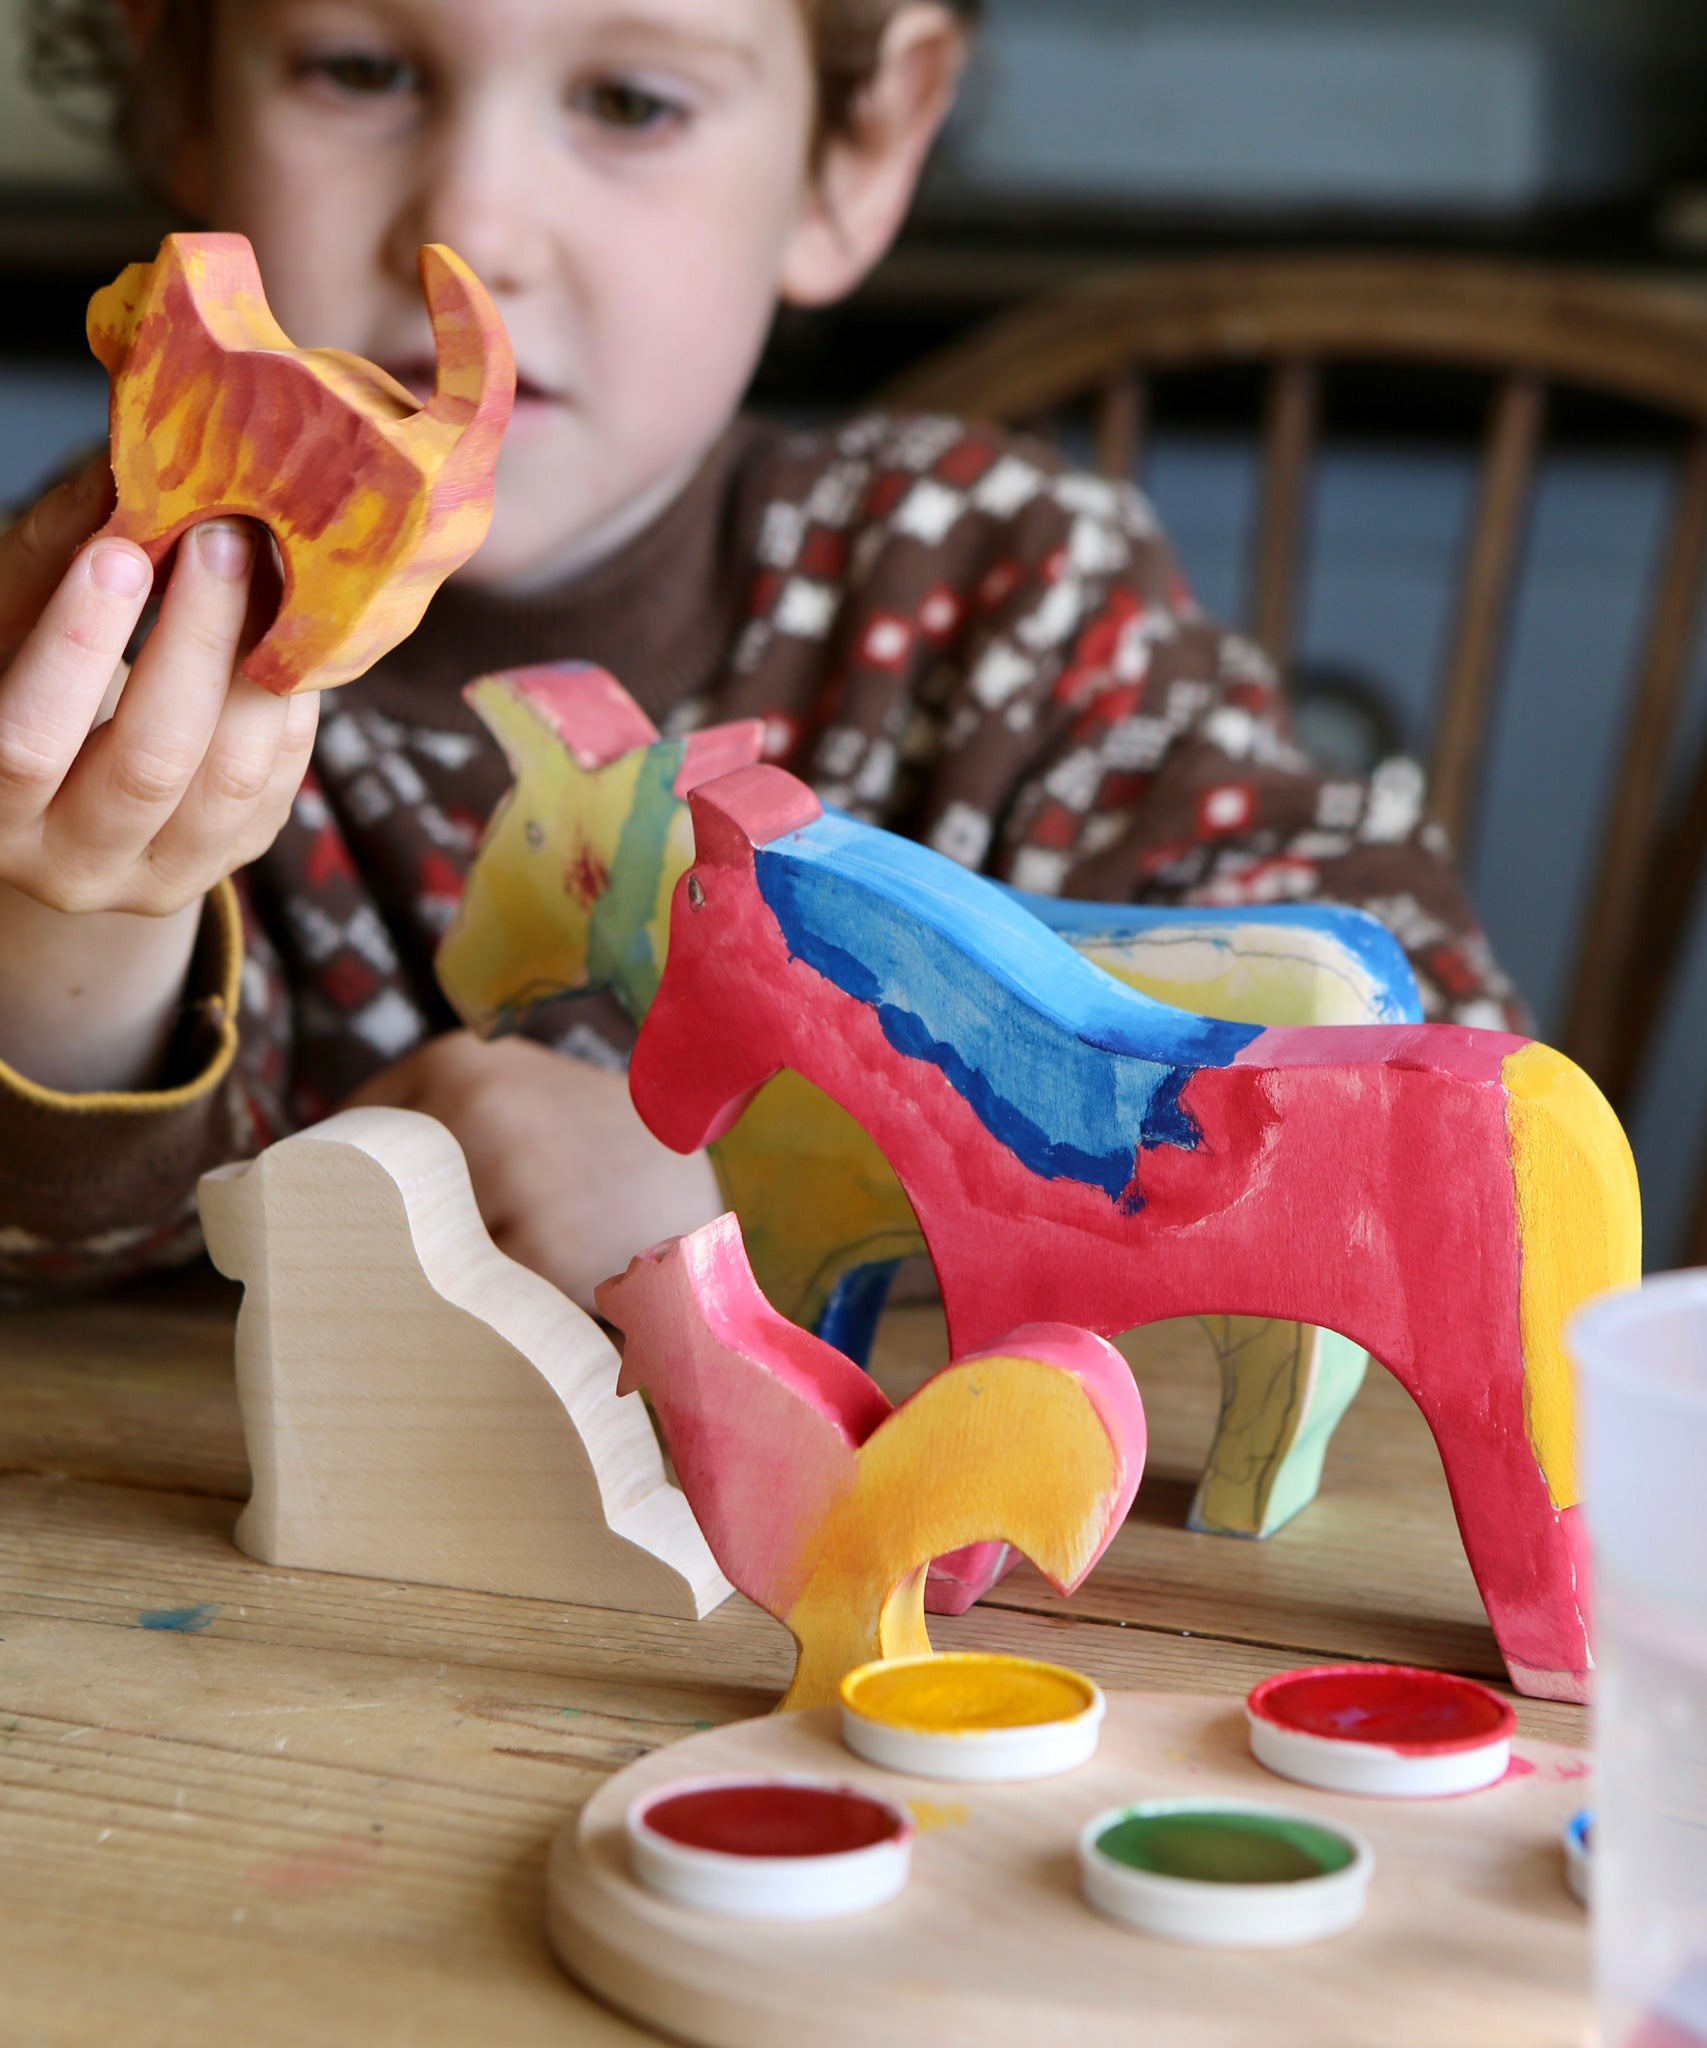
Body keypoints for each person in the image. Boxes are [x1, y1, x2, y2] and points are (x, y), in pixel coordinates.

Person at [1, 0, 1519, 1308]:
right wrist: (74, 916)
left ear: (858, 150)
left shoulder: (993, 586)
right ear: (178, 80)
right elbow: (74, 1279)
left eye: (628, 102)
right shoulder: (81, 633)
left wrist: (794, 1194)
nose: (471, 230)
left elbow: (1434, 1067)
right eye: (360, 69)